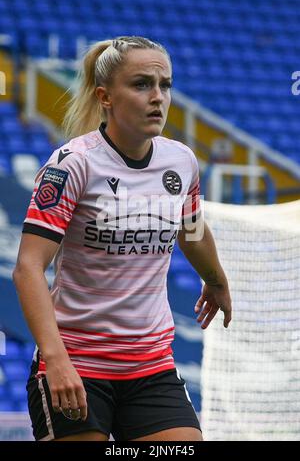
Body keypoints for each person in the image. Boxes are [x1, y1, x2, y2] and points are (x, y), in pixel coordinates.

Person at [13, 36, 232, 442]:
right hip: (76, 364)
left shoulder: (181, 161)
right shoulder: (73, 164)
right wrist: (57, 361)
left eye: (164, 85)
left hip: (151, 367)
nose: (157, 97)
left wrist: (216, 280)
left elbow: (193, 230)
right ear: (105, 97)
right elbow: (27, 269)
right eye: (141, 84)